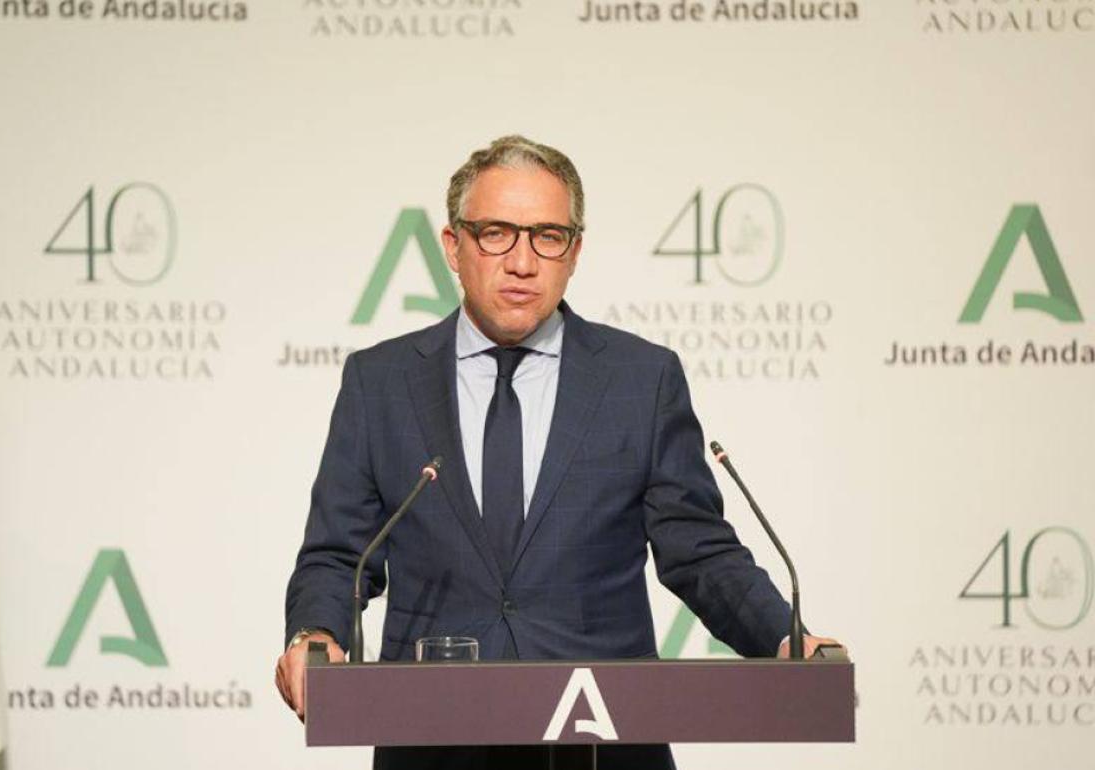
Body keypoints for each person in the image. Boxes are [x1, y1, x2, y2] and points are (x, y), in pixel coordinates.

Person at [276, 136, 838, 770]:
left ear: (574, 253)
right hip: (434, 742)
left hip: (603, 740)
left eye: (548, 237)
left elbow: (699, 552)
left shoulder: (641, 380)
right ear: (454, 247)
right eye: (496, 234)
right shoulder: (380, 382)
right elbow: (339, 554)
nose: (522, 262)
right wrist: (315, 636)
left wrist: (782, 638)